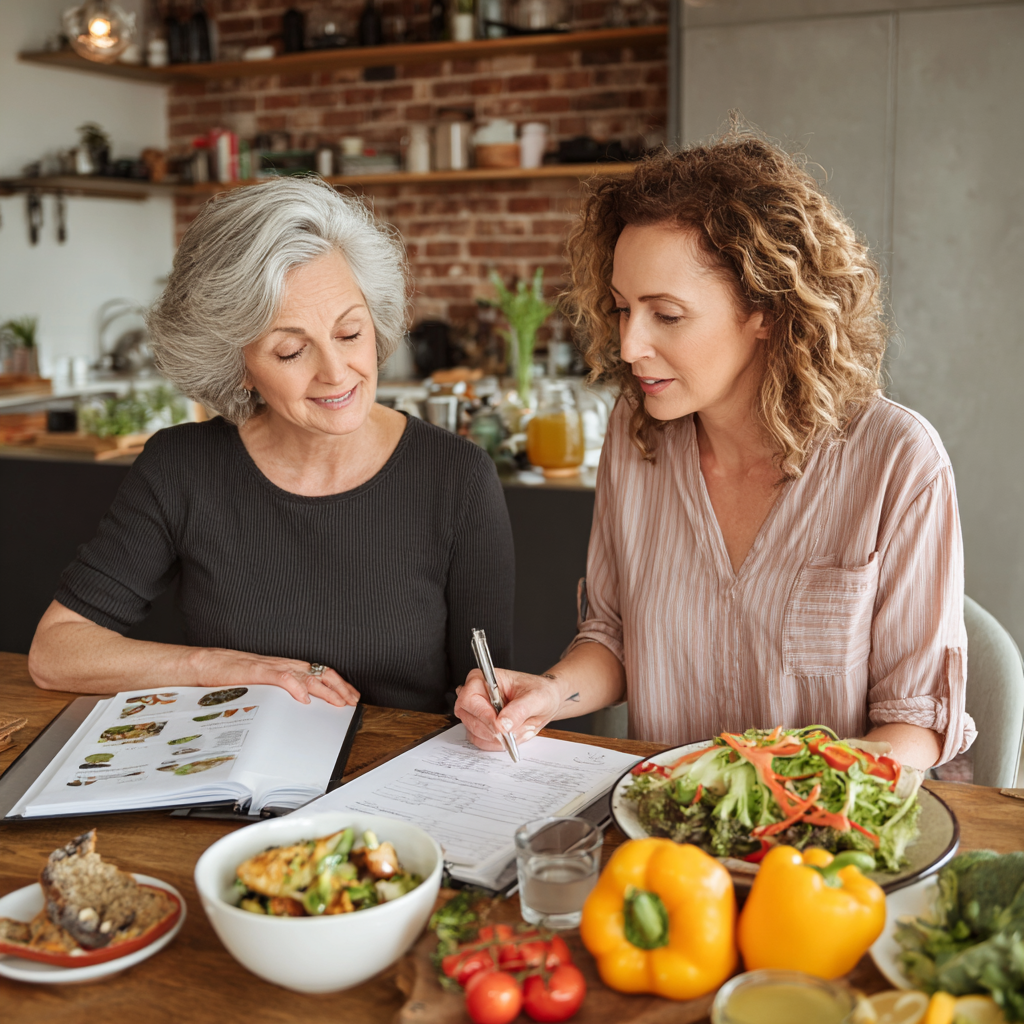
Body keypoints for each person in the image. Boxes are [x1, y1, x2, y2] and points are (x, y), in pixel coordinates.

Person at [456, 133, 975, 769]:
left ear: (765, 308)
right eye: (622, 310)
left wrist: (779, 802)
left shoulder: (898, 462)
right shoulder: (635, 433)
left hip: (819, 846)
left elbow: (913, 726)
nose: (629, 346)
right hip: (664, 833)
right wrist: (549, 693)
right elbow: (614, 637)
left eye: (667, 315)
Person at [29, 176, 514, 713]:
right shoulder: (182, 467)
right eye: (290, 351)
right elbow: (55, 651)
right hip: (229, 781)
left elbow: (488, 688)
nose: (337, 373)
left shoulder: (456, 475)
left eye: (350, 334)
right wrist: (217, 666)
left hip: (395, 783)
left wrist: (489, 714)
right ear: (239, 368)